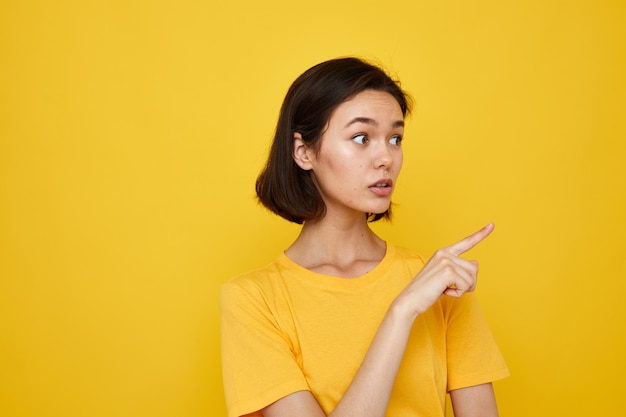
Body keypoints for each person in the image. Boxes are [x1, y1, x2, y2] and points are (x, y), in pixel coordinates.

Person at [220, 57, 509, 417]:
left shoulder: (439, 281)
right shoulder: (253, 300)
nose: (385, 157)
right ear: (303, 151)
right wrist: (401, 313)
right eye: (361, 138)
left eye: (395, 138)